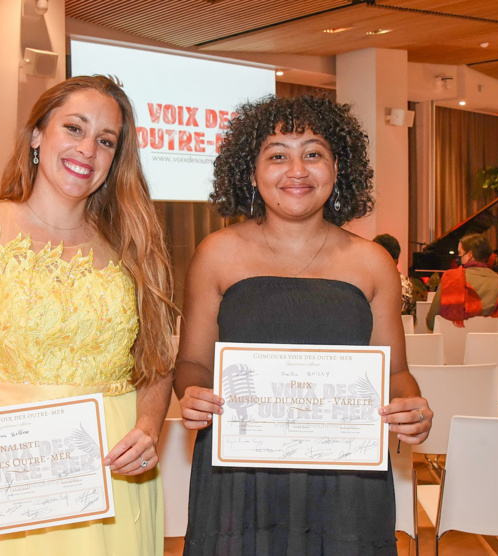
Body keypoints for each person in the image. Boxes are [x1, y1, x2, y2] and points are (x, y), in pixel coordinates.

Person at [0, 76, 175, 555]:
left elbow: (157, 359)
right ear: (37, 134)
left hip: (110, 464)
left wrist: (147, 426)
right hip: (5, 463)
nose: (88, 149)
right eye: (74, 129)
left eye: (106, 141)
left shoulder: (135, 245)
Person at [174, 95, 432, 555]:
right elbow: (192, 361)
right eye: (277, 155)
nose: (297, 170)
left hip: (346, 479)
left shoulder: (372, 263)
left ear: (338, 168)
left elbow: (394, 372)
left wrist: (410, 405)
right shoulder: (216, 252)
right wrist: (191, 394)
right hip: (239, 479)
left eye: (313, 153)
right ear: (251, 172)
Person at [425, 233, 498, 332]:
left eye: (460, 254)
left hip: (453, 346)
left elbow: (431, 322)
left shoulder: (450, 278)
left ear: (469, 255)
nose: (459, 259)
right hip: (492, 346)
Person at [372, 233, 417, 318]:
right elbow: (412, 318)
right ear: (396, 260)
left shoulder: (368, 284)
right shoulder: (407, 284)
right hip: (404, 330)